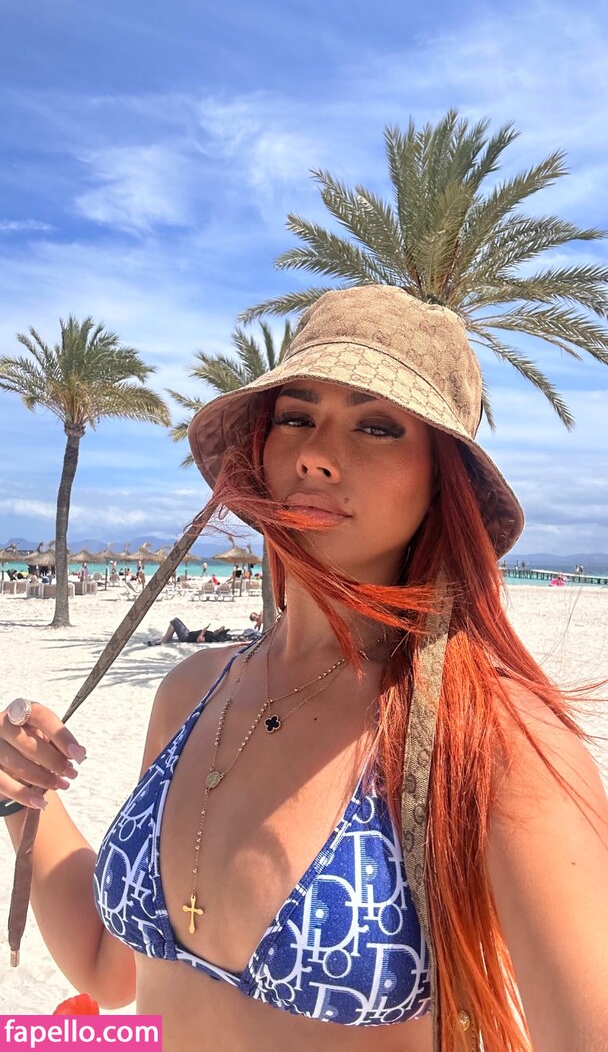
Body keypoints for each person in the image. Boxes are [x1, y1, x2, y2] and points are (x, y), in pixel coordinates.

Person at [1, 286, 607, 1052]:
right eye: (296, 417)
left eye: (377, 426)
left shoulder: (493, 742)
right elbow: (107, 969)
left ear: (439, 480)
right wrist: (19, 790)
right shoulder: (192, 691)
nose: (317, 454)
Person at [147, 618, 230, 646]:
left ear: (217, 634)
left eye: (217, 631)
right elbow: (223, 627)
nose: (215, 630)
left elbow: (199, 640)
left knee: (175, 621)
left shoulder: (210, 637)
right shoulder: (211, 634)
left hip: (186, 637)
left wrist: (203, 631)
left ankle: (165, 640)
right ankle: (167, 638)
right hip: (188, 634)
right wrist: (221, 630)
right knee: (175, 622)